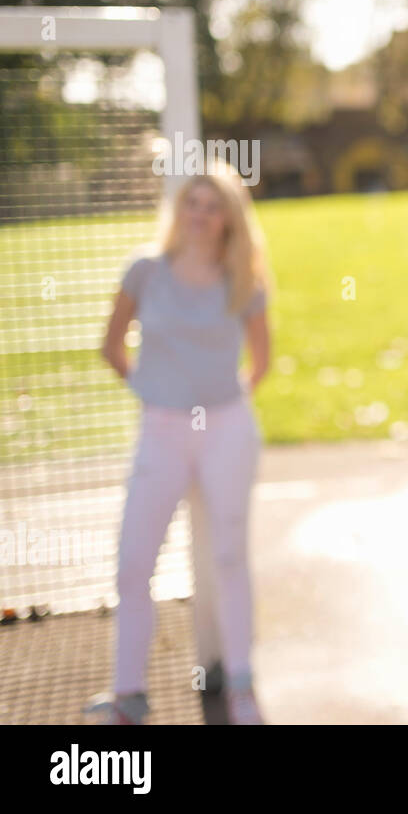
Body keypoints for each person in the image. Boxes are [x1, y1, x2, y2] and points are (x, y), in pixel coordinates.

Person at [88, 160, 274, 724]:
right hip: (161, 432)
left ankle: (241, 686)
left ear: (228, 219)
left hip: (226, 430)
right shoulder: (146, 269)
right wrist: (152, 390)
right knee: (133, 564)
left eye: (212, 206)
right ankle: (128, 697)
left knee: (228, 555)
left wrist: (221, 406)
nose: (200, 215)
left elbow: (262, 362)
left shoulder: (243, 278)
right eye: (192, 203)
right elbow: (111, 345)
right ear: (179, 210)